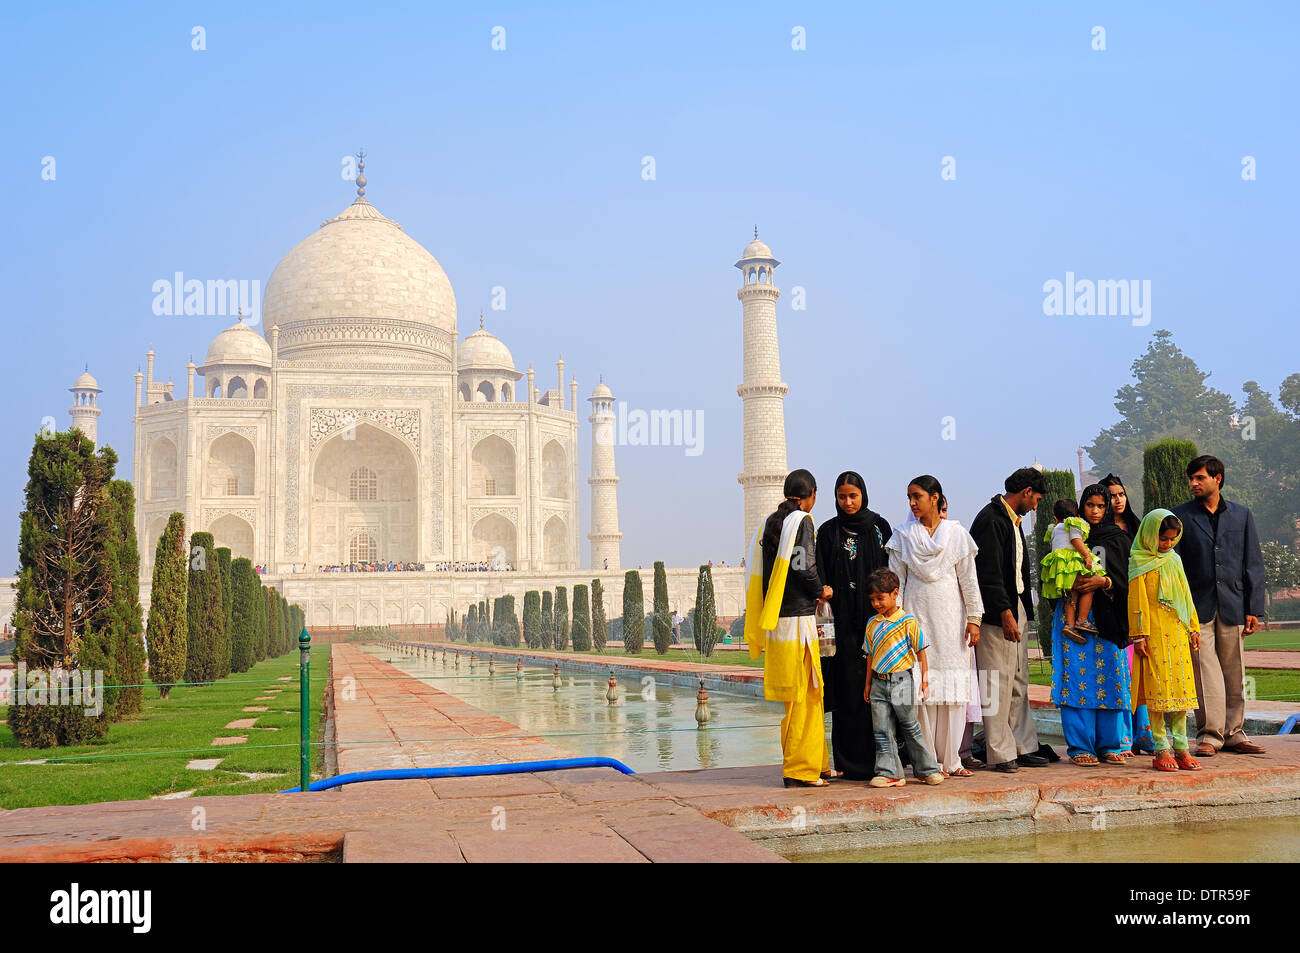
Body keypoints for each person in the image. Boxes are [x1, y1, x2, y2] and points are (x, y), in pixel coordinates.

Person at [885, 475, 983, 777]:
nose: (913, 503)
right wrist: (894, 623)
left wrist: (974, 618)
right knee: (922, 691)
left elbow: (968, 580)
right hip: (916, 618)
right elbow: (895, 584)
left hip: (952, 620)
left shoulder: (956, 534)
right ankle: (927, 762)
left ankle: (952, 760)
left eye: (917, 496)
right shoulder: (902, 536)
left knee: (952, 689)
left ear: (935, 497)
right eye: (909, 498)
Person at [1172, 455, 1267, 757]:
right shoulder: (1181, 516)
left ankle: (1235, 732)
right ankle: (1210, 735)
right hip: (1195, 606)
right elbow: (1173, 565)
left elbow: (1252, 562)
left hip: (1233, 603)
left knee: (1234, 669)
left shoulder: (1241, 515)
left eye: (1199, 478)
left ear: (1218, 479)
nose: (1193, 484)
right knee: (1204, 671)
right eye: (1191, 478)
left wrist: (1253, 607)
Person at [744, 468, 832, 787]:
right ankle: (799, 769)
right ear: (811, 494)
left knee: (796, 698)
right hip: (798, 622)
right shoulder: (802, 521)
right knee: (806, 696)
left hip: (777, 621)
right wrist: (821, 589)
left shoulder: (770, 523)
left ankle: (816, 763)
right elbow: (802, 566)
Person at [814, 471, 893, 781]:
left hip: (877, 622)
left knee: (878, 692)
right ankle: (847, 762)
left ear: (863, 495)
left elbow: (891, 572)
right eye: (841, 496)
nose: (847, 502)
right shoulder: (828, 531)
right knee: (848, 693)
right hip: (842, 627)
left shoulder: (878, 528)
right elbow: (820, 576)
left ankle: (883, 761)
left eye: (853, 496)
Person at [970, 467, 1046, 773]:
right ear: (1026, 492)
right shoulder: (990, 519)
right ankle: (1000, 753)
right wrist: (1004, 612)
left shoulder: (1012, 521)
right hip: (996, 613)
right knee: (995, 682)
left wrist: (1019, 610)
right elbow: (987, 573)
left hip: (1016, 605)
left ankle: (1022, 745)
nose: (1036, 505)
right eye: (1037, 498)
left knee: (1018, 680)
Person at [1050, 484, 1131, 766]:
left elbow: (1127, 578)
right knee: (1076, 677)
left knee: (1109, 676)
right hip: (1072, 618)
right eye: (1090, 506)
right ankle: (1079, 747)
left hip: (1107, 620)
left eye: (1101, 506)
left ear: (1107, 507)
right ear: (1081, 506)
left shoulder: (1118, 538)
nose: (1095, 512)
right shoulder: (1070, 534)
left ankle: (1109, 745)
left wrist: (1104, 581)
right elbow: (1054, 568)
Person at [1128, 510, 1202, 771]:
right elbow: (1137, 602)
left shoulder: (1175, 560)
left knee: (1181, 693)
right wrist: (1139, 636)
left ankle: (1181, 747)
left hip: (1178, 634)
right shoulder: (1139, 560)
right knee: (1157, 694)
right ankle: (1161, 749)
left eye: (1172, 539)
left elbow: (1185, 596)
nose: (1168, 544)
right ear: (1149, 535)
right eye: (1163, 539)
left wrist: (1193, 628)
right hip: (1153, 636)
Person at [862, 568, 944, 788]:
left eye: (880, 598)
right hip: (878, 683)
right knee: (882, 730)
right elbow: (869, 655)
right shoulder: (872, 624)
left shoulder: (908, 622)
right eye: (872, 599)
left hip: (902, 681)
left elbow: (921, 652)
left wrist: (925, 680)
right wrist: (868, 683)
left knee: (910, 727)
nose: (876, 603)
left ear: (895, 593)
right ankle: (890, 773)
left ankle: (927, 770)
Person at [1040, 498, 1106, 643]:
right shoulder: (1073, 523)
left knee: (1071, 595)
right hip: (1072, 562)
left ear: (1055, 517)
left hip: (1060, 568)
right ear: (1077, 515)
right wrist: (1087, 555)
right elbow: (1075, 540)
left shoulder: (1054, 528)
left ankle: (1069, 625)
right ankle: (1082, 620)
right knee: (1088, 587)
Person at [1099, 472, 1142, 538]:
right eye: (1112, 496)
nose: (1118, 500)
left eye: (1121, 494)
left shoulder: (1135, 525)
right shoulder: (1099, 529)